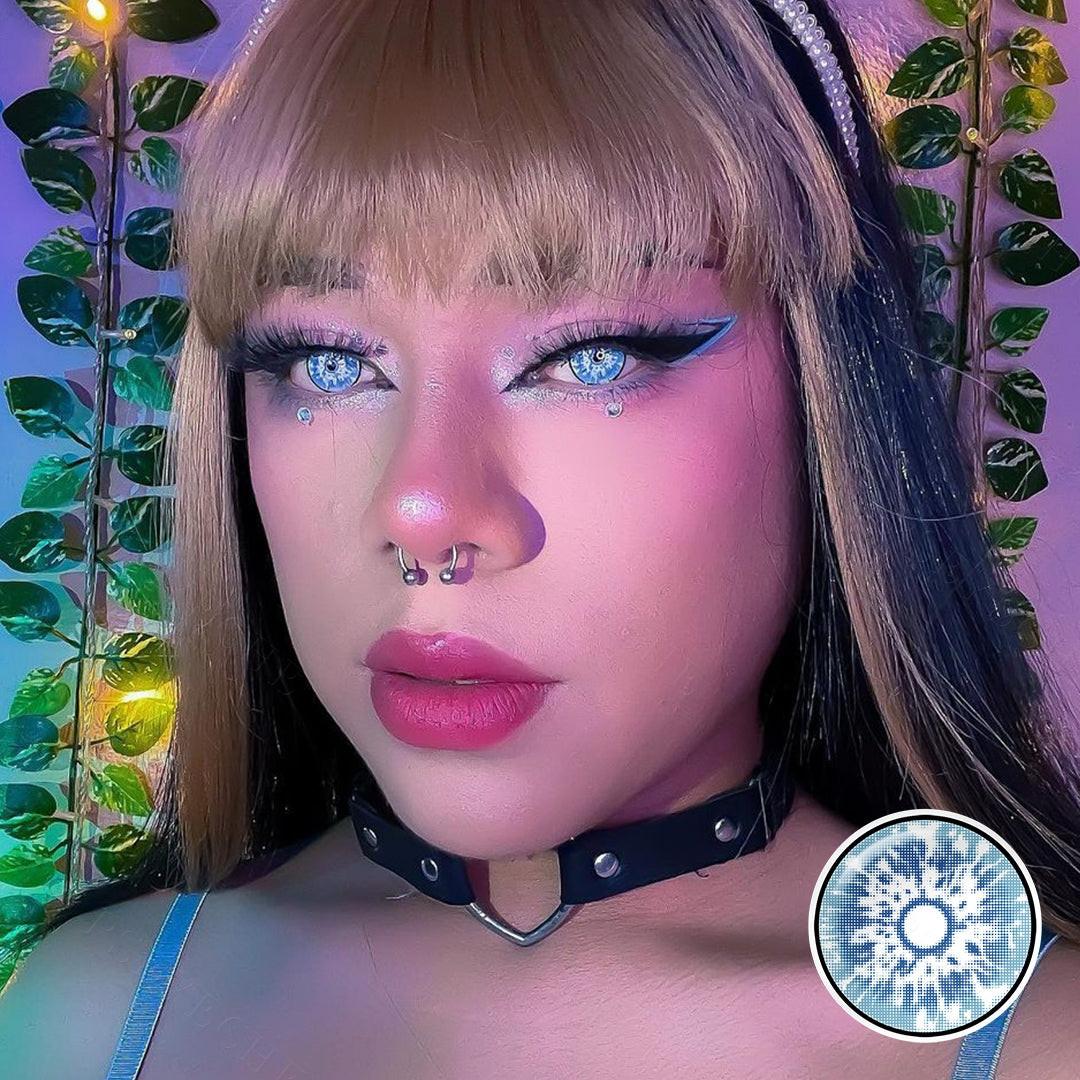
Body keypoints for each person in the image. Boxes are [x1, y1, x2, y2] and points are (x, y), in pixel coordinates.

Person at [2, 0, 1079, 1076]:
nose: (421, 511)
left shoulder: (1039, 1040)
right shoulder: (90, 1015)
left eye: (592, 355)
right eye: (328, 363)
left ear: (827, 394)